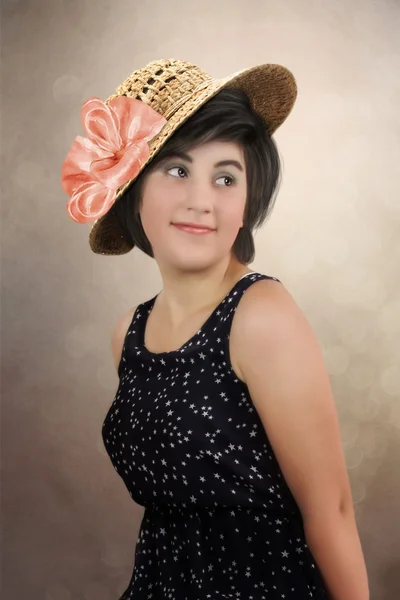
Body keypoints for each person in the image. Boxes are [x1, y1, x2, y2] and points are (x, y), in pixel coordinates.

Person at [62, 59, 369, 600]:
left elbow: (333, 511)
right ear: (133, 188)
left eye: (226, 177)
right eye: (177, 170)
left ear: (248, 201)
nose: (202, 200)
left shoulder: (261, 316)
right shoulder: (127, 336)